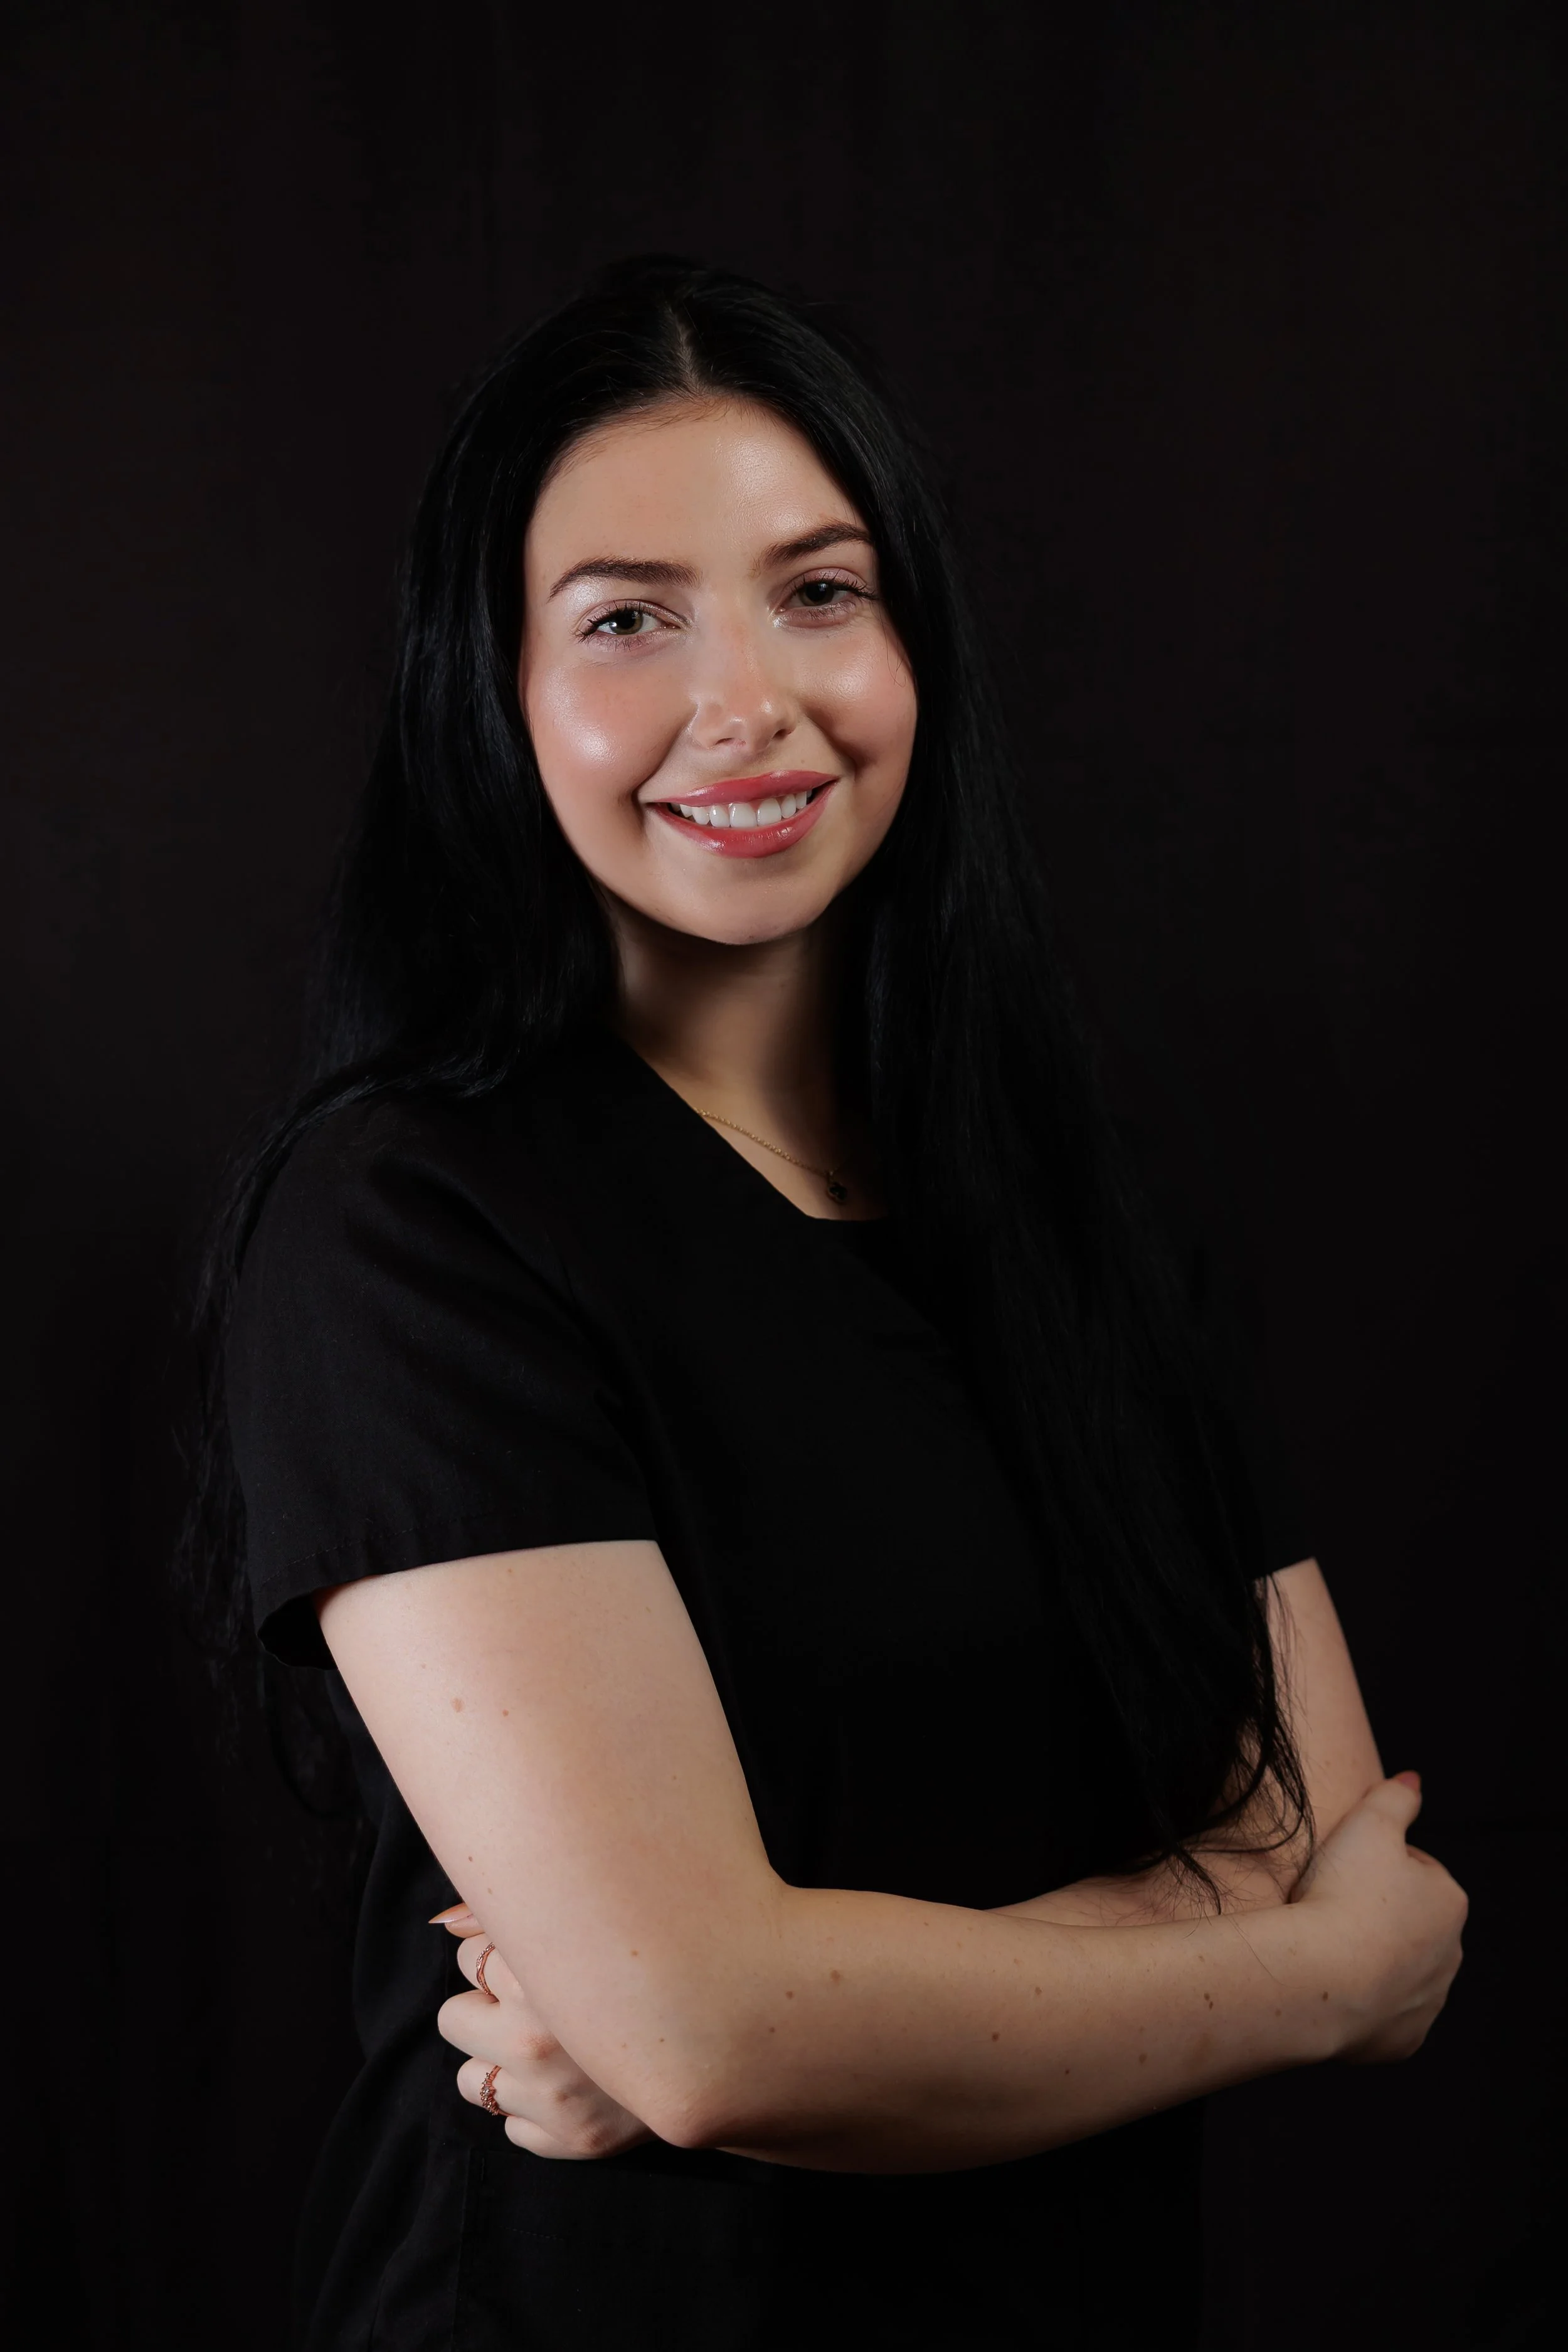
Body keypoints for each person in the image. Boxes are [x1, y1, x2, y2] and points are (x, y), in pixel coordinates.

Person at [205, 257, 1466, 2350]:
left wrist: (742, 2019)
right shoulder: (405, 1232)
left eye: (820, 590)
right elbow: (718, 2022)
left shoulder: (1077, 1206)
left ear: (916, 644)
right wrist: (1316, 1978)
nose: (748, 700)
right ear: (491, 688)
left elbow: (1313, 1817)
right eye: (626, 617)